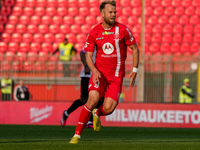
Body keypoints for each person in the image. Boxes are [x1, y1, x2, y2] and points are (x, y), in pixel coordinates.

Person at [69, 1, 139, 144]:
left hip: (116, 77)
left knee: (109, 108)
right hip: (99, 74)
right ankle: (76, 135)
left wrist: (135, 69)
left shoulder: (123, 30)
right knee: (92, 99)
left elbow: (135, 48)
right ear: (102, 14)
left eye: (115, 12)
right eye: (110, 12)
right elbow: (88, 55)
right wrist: (94, 70)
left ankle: (97, 113)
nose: (113, 15)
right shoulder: (94, 32)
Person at [60, 47, 103, 128]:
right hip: (87, 75)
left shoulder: (106, 46)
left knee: (100, 99)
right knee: (84, 99)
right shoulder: (94, 43)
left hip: (97, 76)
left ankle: (90, 121)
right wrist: (86, 66)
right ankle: (66, 113)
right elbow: (82, 53)